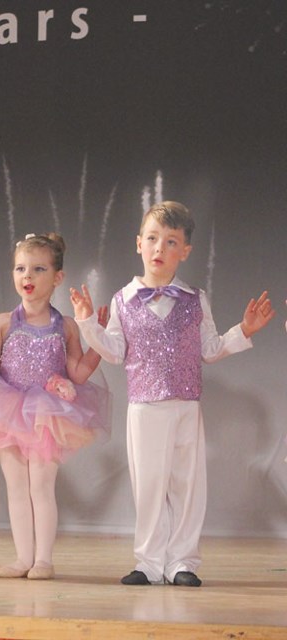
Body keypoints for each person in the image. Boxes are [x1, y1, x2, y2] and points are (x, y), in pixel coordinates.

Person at [71, 201, 274, 587]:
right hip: (145, 406)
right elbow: (113, 351)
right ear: (138, 244)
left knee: (187, 483)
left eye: (170, 241)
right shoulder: (123, 300)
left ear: (185, 251)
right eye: (152, 239)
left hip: (186, 405)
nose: (159, 249)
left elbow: (210, 349)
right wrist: (85, 321)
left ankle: (182, 562)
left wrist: (244, 331)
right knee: (148, 485)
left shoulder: (195, 299)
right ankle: (148, 562)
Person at [0, 232, 110, 580]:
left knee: (41, 485)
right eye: (20, 268)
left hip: (47, 416)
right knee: (16, 486)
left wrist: (97, 341)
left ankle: (43, 559)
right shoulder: (4, 321)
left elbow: (79, 372)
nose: (27, 276)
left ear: (57, 277)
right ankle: (22, 558)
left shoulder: (65, 326)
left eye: (38, 269)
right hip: (9, 411)